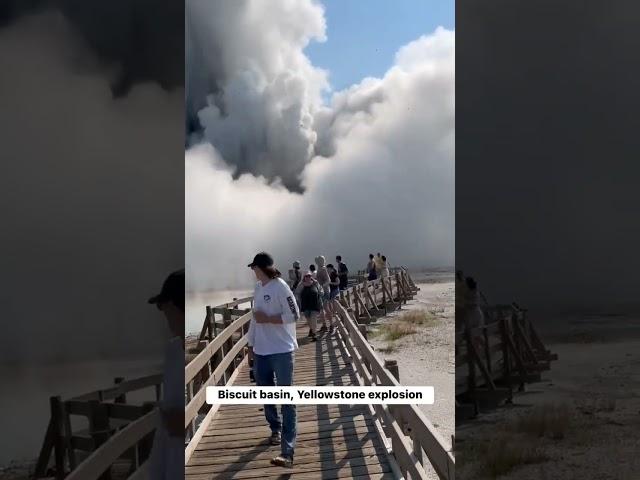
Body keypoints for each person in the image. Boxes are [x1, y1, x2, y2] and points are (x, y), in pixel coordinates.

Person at [246, 252, 298, 467]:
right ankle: (274, 429)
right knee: (266, 394)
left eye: (254, 268)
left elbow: (294, 315)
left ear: (262, 268)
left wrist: (268, 319)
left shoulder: (281, 287)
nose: (253, 272)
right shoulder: (258, 288)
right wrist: (250, 345)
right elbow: (254, 319)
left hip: (282, 350)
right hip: (261, 351)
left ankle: (287, 452)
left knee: (287, 400)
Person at [147, 269, 185, 480]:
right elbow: (166, 423)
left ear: (172, 305)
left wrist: (185, 421)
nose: (163, 314)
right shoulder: (172, 352)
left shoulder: (199, 352)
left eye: (162, 307)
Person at [295, 271, 323, 341]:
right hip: (305, 305)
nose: (308, 277)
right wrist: (297, 300)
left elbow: (321, 291)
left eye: (309, 276)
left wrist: (320, 294)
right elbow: (296, 294)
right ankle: (312, 330)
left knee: (313, 319)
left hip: (314, 304)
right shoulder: (301, 285)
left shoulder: (315, 283)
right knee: (309, 320)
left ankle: (314, 334)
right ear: (304, 277)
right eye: (306, 276)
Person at [314, 255, 332, 333]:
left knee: (325, 308)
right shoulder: (320, 269)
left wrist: (322, 285)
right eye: (319, 260)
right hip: (321, 291)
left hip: (324, 291)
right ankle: (325, 325)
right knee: (322, 309)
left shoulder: (323, 269)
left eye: (321, 260)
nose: (320, 262)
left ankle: (331, 325)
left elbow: (328, 280)